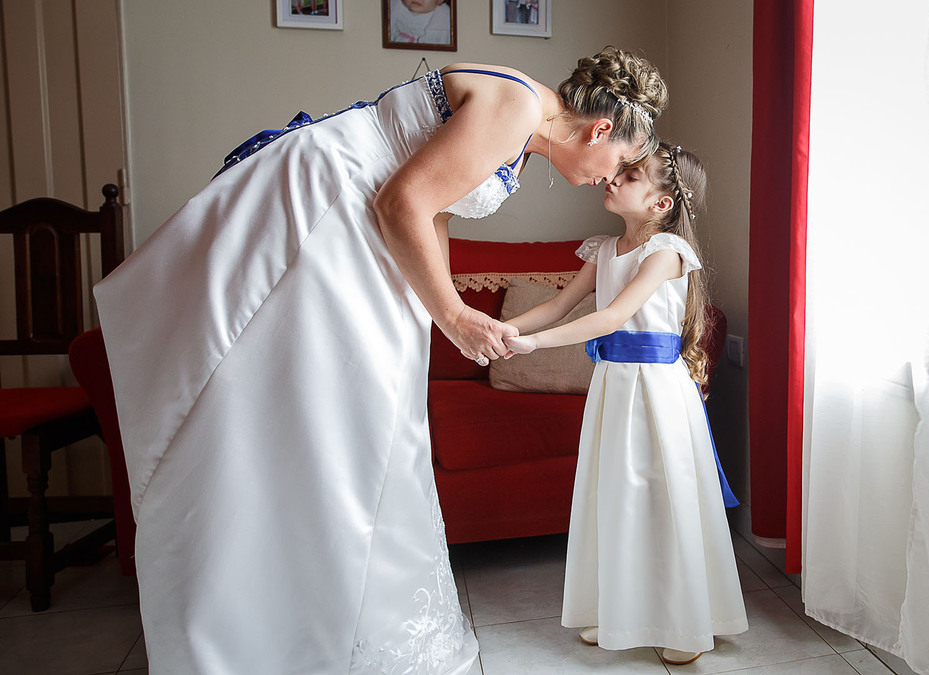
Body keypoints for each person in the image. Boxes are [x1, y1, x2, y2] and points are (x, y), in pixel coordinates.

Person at [92, 47, 666, 674]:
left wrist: (432, 306)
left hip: (366, 226)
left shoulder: (523, 134)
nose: (611, 179)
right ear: (600, 130)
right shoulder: (517, 106)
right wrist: (452, 313)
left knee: (366, 416)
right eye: (621, 162)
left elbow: (438, 212)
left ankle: (325, 614)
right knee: (320, 411)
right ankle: (258, 626)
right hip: (334, 210)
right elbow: (400, 204)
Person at [503, 143, 747, 666]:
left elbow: (614, 317)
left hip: (655, 390)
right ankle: (620, 611)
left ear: (661, 204)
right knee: (613, 494)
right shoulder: (604, 250)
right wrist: (505, 329)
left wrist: (537, 345)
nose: (613, 179)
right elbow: (556, 304)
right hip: (614, 385)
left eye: (630, 176)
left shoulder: (665, 253)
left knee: (662, 497)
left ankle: (683, 622)